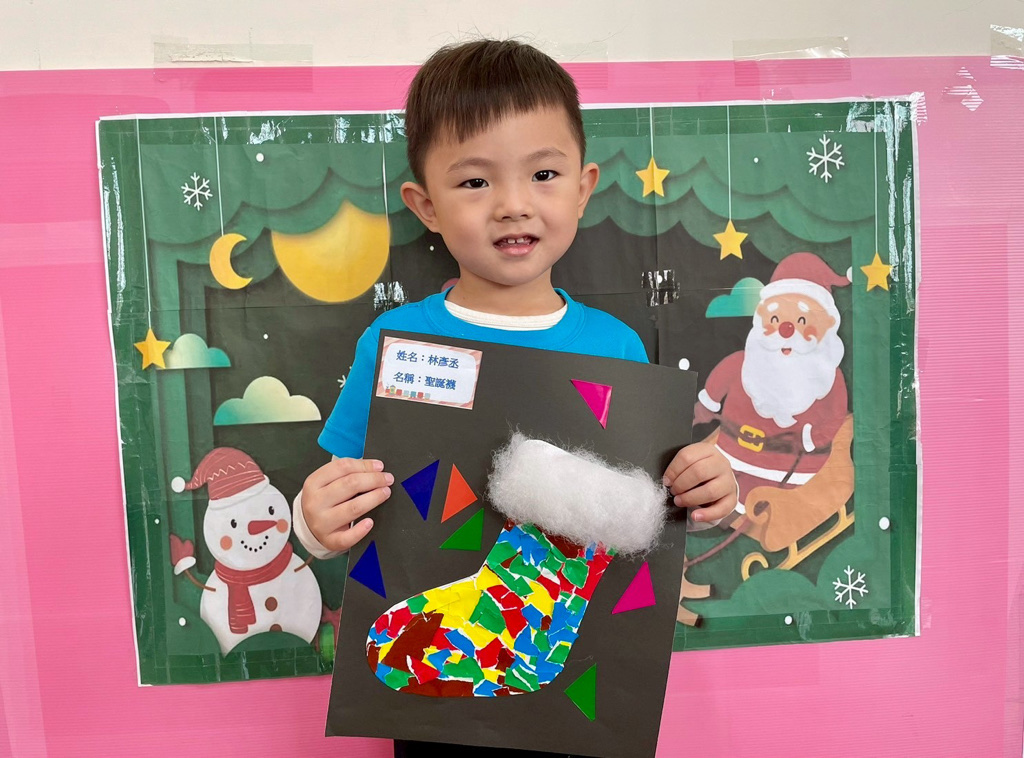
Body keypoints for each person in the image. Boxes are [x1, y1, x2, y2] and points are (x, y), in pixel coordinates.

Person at [292, 38, 738, 757]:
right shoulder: (397, 343)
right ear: (425, 205)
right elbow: (341, 491)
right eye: (475, 182)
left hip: (587, 707)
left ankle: (528, 645)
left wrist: (706, 488)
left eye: (543, 174)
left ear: (583, 188)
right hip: (439, 722)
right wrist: (313, 524)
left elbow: (660, 503)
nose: (513, 205)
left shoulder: (617, 347)